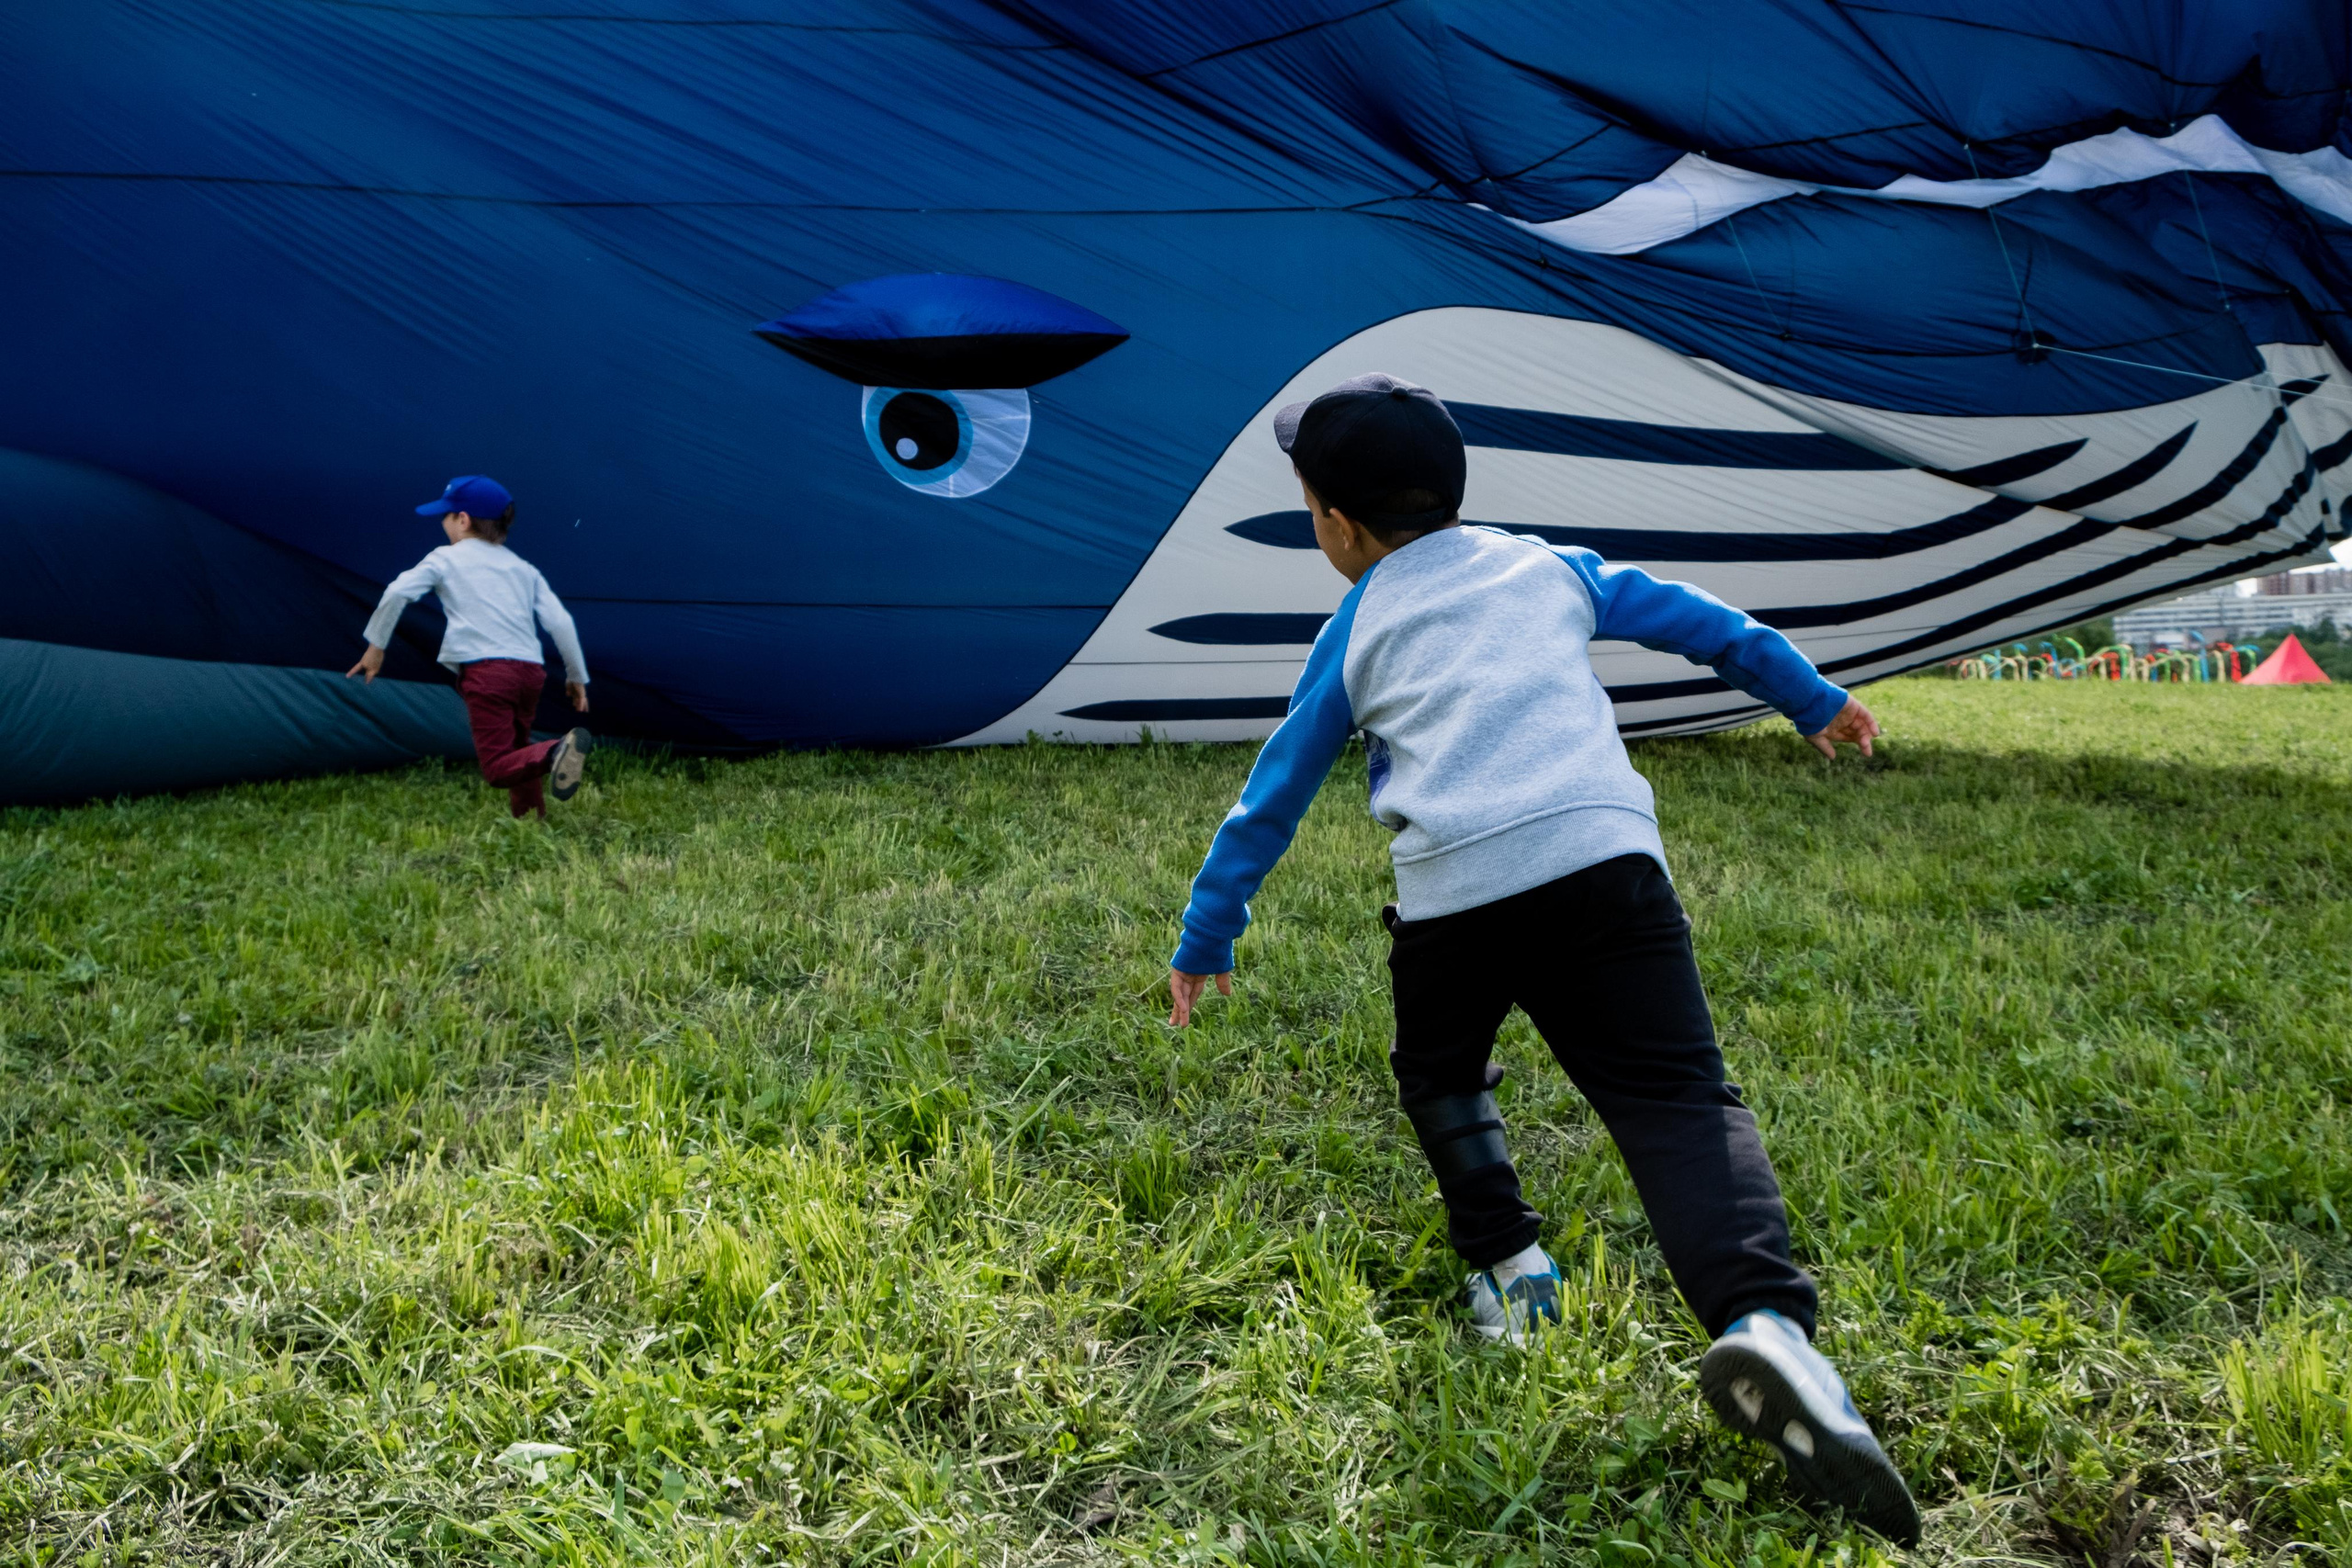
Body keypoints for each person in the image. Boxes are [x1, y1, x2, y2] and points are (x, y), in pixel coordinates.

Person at [1161, 375, 1917, 1542]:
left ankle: (1512, 1269)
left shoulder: (1353, 625)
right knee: (1675, 1099)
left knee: (1443, 1076)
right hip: (1604, 867)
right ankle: (1768, 1325)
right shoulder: (1548, 567)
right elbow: (1708, 623)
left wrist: (1208, 934)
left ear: (1334, 524)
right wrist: (1810, 699)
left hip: (1453, 899)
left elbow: (1275, 793)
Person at [346, 475, 593, 818]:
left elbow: (398, 592)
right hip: (530, 672)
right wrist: (576, 676)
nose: (443, 524)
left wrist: (376, 646)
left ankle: (556, 752)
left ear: (462, 520)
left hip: (488, 672)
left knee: (495, 767)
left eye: (445, 516)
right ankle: (531, 818)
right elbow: (561, 623)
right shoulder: (523, 569)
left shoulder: (445, 558)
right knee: (519, 748)